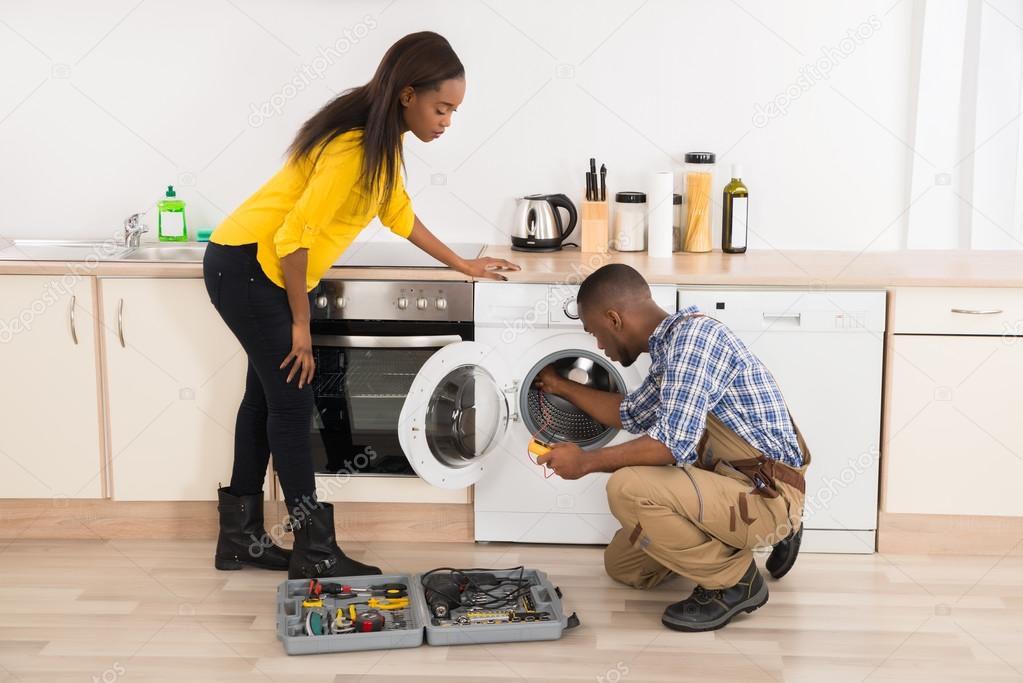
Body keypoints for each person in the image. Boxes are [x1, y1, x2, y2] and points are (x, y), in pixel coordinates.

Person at [202, 31, 518, 580]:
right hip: (249, 266)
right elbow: (292, 237)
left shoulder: (380, 144)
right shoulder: (352, 150)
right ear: (407, 96)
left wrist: (463, 265)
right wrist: (302, 323)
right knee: (293, 404)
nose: (447, 121)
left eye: (453, 111)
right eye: (442, 107)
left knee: (266, 399)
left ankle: (241, 540)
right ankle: (314, 549)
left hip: (258, 268)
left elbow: (399, 215)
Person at [533, 264, 810, 632]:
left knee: (626, 487)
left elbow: (671, 445)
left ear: (614, 319)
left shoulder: (694, 339)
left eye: (596, 333)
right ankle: (734, 544)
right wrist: (560, 385)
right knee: (624, 567)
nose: (599, 345)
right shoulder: (669, 350)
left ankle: (736, 581)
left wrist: (585, 461)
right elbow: (630, 413)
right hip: (730, 485)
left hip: (766, 491)